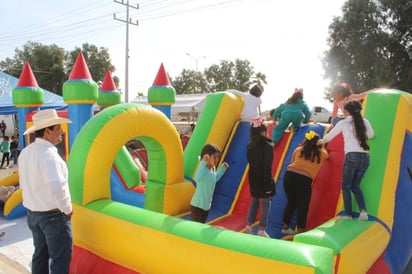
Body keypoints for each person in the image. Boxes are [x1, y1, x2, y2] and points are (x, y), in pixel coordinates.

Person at [18, 109, 73, 274]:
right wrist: (67, 208)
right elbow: (57, 186)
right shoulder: (48, 155)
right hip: (53, 216)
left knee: (40, 255)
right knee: (60, 259)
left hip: (34, 213)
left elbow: (24, 183)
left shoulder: (26, 152)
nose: (61, 132)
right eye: (58, 128)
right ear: (48, 131)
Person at [318, 100, 374, 220]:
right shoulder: (365, 122)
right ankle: (363, 212)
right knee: (355, 185)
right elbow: (371, 135)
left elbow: (329, 136)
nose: (343, 112)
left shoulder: (343, 123)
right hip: (365, 157)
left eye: (344, 110)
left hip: (352, 156)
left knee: (346, 186)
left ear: (347, 111)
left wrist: (321, 141)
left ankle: (348, 214)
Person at [281, 130, 329, 235]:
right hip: (304, 179)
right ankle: (301, 231)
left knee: (291, 203)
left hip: (289, 175)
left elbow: (292, 162)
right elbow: (327, 156)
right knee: (303, 207)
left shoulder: (298, 149)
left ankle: (285, 227)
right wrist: (323, 145)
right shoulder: (322, 153)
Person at [245, 118, 275, 237]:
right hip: (264, 177)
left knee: (255, 199)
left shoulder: (250, 146)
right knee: (266, 202)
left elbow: (251, 162)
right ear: (263, 132)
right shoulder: (267, 146)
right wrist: (268, 185)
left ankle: (248, 225)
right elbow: (267, 167)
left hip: (253, 176)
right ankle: (262, 229)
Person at [190, 144, 229, 223]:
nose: (217, 159)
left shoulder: (213, 168)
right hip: (197, 205)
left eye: (218, 157)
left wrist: (222, 169)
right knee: (195, 227)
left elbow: (214, 179)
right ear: (207, 157)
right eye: (215, 157)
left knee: (201, 225)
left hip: (206, 206)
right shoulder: (203, 169)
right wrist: (203, 163)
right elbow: (197, 177)